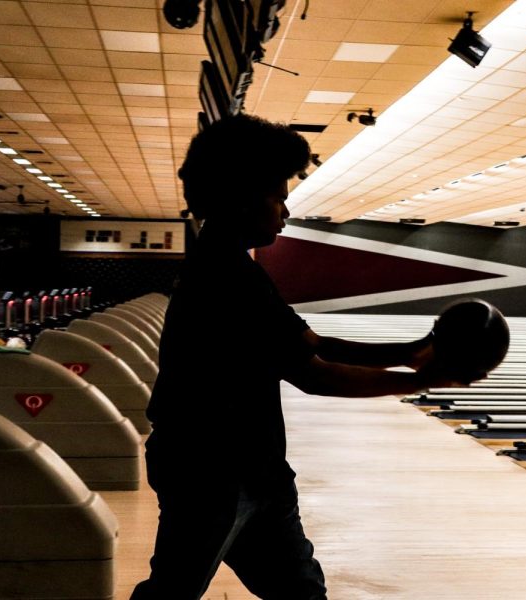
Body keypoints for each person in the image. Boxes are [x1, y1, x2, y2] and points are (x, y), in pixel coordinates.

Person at [131, 113, 473, 599]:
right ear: (242, 197)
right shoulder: (224, 279)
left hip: (254, 469)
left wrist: (410, 353)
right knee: (175, 590)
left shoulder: (231, 267)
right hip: (210, 473)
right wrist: (422, 380)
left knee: (300, 592)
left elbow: (308, 343)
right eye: (278, 197)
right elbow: (314, 375)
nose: (286, 211)